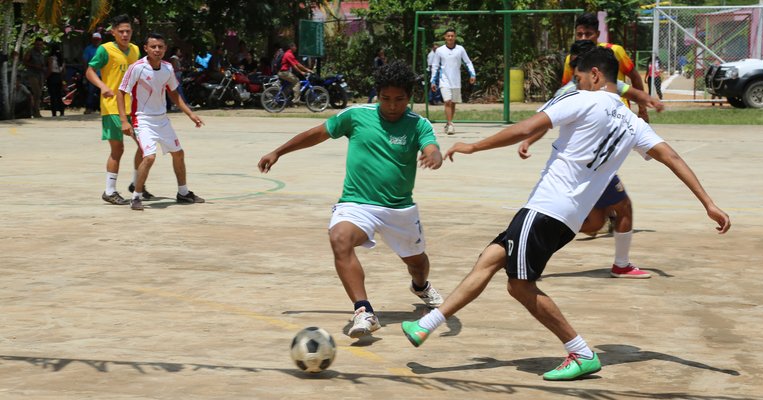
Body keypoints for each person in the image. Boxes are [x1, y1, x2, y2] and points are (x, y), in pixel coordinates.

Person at [401, 47, 731, 381]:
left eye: (579, 76)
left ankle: (581, 352)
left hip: (546, 207)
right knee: (491, 257)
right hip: (567, 219)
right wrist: (708, 203)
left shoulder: (581, 99)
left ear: (595, 75)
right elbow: (671, 157)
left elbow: (528, 125)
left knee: (519, 285)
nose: (576, 82)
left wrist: (473, 146)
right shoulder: (632, 122)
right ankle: (426, 324)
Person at [257, 60, 445, 338]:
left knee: (417, 263)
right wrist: (278, 152)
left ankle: (420, 286)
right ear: (377, 95)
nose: (392, 105)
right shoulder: (356, 115)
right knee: (339, 238)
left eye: (400, 100)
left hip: (399, 209)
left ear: (410, 98)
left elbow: (433, 148)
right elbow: (316, 134)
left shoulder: (418, 124)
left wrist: (434, 156)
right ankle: (363, 310)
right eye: (386, 99)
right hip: (357, 203)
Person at [519, 40, 664, 279]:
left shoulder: (606, 84)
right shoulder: (569, 91)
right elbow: (545, 120)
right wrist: (528, 141)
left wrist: (647, 101)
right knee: (622, 207)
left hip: (599, 160)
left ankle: (524, 235)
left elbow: (629, 90)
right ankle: (621, 264)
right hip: (591, 165)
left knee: (594, 223)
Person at [117, 32, 205, 211]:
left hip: (162, 119)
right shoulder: (137, 68)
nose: (157, 50)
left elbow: (173, 93)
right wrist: (123, 121)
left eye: (160, 47)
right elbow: (121, 92)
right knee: (149, 157)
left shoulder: (167, 68)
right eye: (153, 47)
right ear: (146, 49)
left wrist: (190, 114)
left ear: (165, 49)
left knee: (178, 154)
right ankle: (136, 197)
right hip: (142, 119)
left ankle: (183, 192)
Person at [86, 14, 148, 205]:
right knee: (117, 149)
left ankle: (137, 183)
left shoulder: (135, 50)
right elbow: (90, 71)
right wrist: (103, 86)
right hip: (112, 107)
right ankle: (109, 190)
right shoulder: (105, 49)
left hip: (134, 108)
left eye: (127, 31)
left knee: (145, 146)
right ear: (113, 32)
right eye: (120, 31)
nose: (124, 34)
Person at [562, 13, 649, 122]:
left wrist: (642, 110)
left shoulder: (615, 51)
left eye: (588, 34)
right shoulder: (571, 58)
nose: (583, 38)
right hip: (588, 114)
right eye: (579, 34)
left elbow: (635, 77)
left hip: (617, 113)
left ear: (598, 34)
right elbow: (567, 87)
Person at [430, 29, 476, 135]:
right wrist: (433, 81)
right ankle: (450, 124)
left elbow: (468, 62)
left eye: (452, 36)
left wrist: (472, 74)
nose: (450, 38)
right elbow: (435, 66)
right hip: (444, 80)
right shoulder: (440, 50)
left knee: (453, 103)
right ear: (445, 37)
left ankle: (448, 122)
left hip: (456, 80)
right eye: (448, 36)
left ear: (455, 37)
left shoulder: (460, 49)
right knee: (447, 101)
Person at [22, 37, 46, 118]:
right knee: (37, 92)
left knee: (39, 95)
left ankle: (35, 111)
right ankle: (36, 111)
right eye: (38, 44)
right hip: (32, 75)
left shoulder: (41, 54)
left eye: (41, 45)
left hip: (40, 75)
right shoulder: (30, 52)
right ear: (35, 44)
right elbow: (25, 61)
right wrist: (35, 66)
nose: (39, 46)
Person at [82, 32, 102, 114]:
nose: (96, 41)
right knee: (90, 92)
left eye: (97, 39)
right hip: (92, 75)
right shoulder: (88, 49)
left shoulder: (103, 49)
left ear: (100, 40)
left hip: (102, 74)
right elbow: (84, 62)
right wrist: (85, 73)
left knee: (102, 92)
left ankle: (102, 108)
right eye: (94, 39)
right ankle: (89, 108)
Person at [46, 43, 65, 117]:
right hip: (59, 77)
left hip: (52, 77)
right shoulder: (61, 59)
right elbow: (64, 71)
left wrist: (46, 77)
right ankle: (62, 111)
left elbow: (50, 69)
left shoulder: (51, 58)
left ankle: (54, 112)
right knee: (59, 95)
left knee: (53, 96)